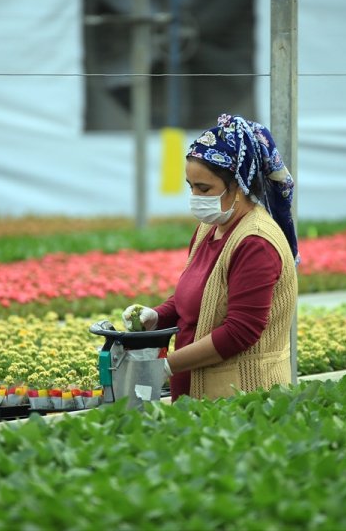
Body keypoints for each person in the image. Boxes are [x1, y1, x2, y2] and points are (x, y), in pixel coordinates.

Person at [123, 113, 299, 401]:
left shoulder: (255, 242)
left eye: (204, 189)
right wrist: (157, 315)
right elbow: (200, 298)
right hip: (196, 396)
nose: (195, 196)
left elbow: (240, 332)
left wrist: (166, 366)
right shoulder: (210, 227)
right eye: (190, 186)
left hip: (241, 400)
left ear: (240, 186)